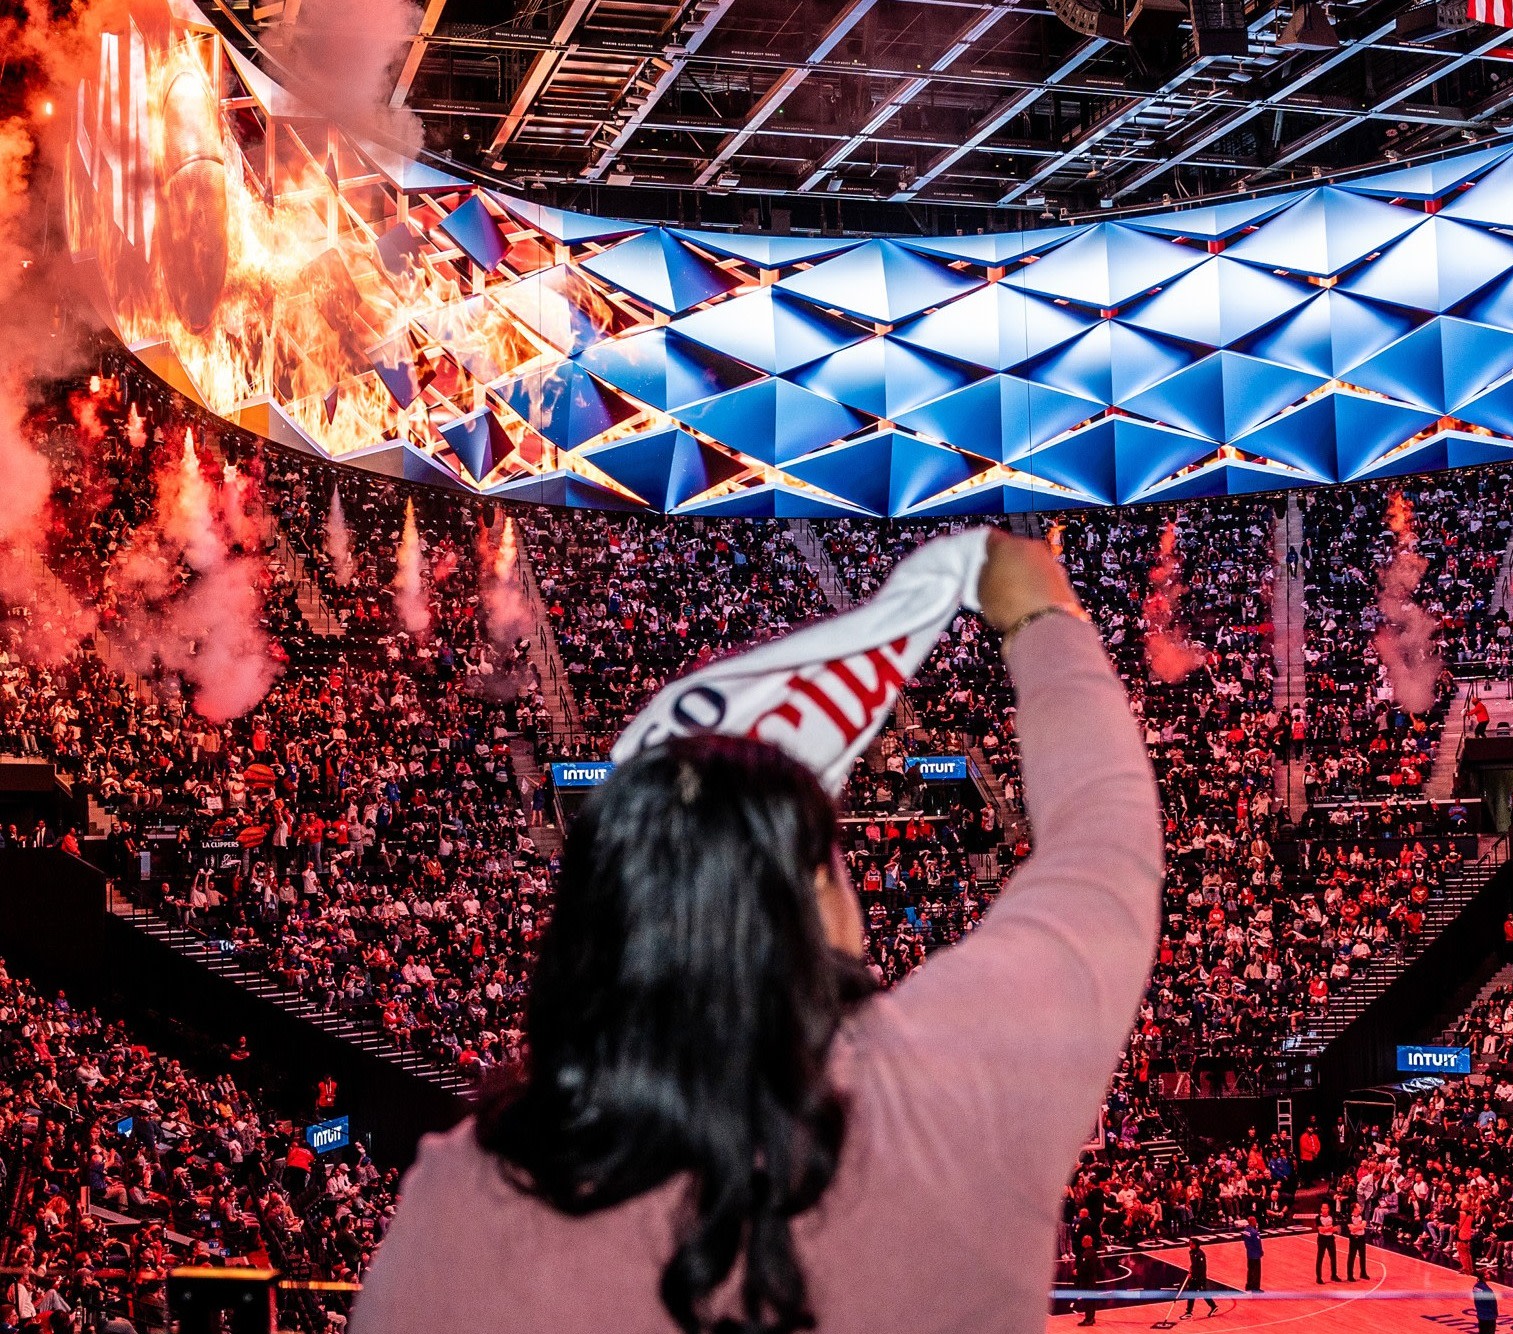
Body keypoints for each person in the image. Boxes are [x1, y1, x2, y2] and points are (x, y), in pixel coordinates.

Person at [352, 534, 1165, 1334]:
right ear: (818, 898)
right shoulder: (963, 1081)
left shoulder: (465, 1192)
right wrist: (1039, 614)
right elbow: (1106, 840)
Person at [1182, 1239, 1217, 1319]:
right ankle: (1189, 1312)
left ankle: (1213, 1306)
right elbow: (1194, 1264)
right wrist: (1191, 1268)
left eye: (1192, 1244)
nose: (1190, 1246)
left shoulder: (1200, 1254)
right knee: (1190, 1293)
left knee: (1203, 1293)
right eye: (1189, 1244)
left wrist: (1192, 1274)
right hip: (1194, 1277)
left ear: (1196, 1244)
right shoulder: (1191, 1252)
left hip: (1200, 1278)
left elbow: (1201, 1269)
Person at [1345, 1203, 1370, 1281]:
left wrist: (1356, 1227)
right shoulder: (1349, 1217)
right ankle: (1350, 1275)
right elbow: (1351, 1229)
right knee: (1351, 1257)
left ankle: (1363, 1273)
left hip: (1362, 1238)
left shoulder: (1362, 1215)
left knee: (1362, 1256)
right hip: (1353, 1239)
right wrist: (1359, 1227)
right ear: (1354, 1208)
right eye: (1358, 1206)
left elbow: (1363, 1225)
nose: (1360, 1207)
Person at [1314, 1204, 1338, 1284]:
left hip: (1330, 1238)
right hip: (1322, 1239)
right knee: (1320, 1258)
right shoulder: (1318, 1218)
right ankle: (1319, 1277)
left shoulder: (1332, 1217)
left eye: (1326, 1208)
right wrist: (1329, 1228)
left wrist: (1326, 1229)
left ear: (1328, 1209)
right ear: (1321, 1209)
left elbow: (1336, 1228)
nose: (1324, 1209)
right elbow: (1321, 1229)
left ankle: (1334, 1275)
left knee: (1333, 1257)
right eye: (1323, 1208)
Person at [1241, 1218, 1263, 1294]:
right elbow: (1258, 1244)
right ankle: (1255, 1288)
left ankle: (1248, 1286)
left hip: (1249, 1253)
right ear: (1253, 1222)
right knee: (1256, 1272)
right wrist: (1260, 1252)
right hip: (1255, 1255)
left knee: (1250, 1270)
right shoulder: (1254, 1232)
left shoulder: (1245, 1230)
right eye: (1255, 1221)